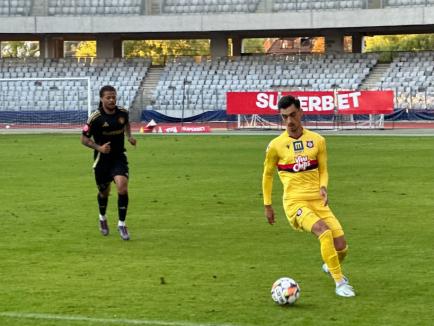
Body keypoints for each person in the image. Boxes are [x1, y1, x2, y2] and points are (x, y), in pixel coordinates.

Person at [262, 95, 355, 297]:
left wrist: (323, 187)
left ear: (301, 113)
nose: (289, 121)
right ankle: (340, 282)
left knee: (342, 247)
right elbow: (267, 175)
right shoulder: (276, 146)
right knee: (324, 232)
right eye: (284, 117)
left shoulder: (318, 140)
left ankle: (330, 265)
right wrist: (267, 205)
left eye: (293, 115)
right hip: (295, 202)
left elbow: (323, 169)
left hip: (318, 200)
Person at [81, 85, 137, 241]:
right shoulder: (95, 117)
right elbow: (83, 139)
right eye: (108, 97)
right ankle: (102, 218)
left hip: (119, 156)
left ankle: (122, 223)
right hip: (102, 160)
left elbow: (126, 124)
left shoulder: (123, 112)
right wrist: (99, 147)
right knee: (104, 192)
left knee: (122, 187)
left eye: (114, 97)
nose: (112, 100)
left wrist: (129, 136)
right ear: (101, 99)